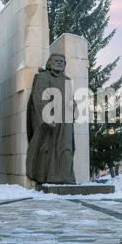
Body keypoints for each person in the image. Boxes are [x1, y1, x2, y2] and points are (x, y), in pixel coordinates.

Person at [26, 53, 77, 185]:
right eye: (56, 60)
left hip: (66, 121)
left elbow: (71, 99)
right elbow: (39, 97)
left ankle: (66, 177)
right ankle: (47, 178)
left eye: (62, 61)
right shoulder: (42, 77)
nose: (59, 63)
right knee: (47, 149)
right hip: (51, 119)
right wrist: (46, 118)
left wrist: (75, 109)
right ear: (49, 63)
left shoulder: (67, 80)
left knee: (67, 147)